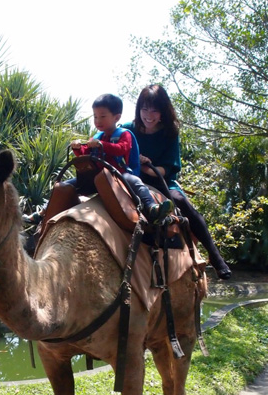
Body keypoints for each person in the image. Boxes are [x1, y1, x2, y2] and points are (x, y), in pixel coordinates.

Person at [122, 84, 232, 280]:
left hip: (160, 181)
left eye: (154, 110)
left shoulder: (170, 133)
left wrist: (147, 167)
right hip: (131, 179)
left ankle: (215, 257)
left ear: (163, 112)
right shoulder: (127, 130)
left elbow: (167, 168)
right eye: (145, 108)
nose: (149, 114)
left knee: (179, 200)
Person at [69, 93, 174, 224]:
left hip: (119, 175)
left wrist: (102, 145)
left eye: (102, 116)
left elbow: (121, 149)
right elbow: (86, 155)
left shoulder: (124, 134)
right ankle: (45, 211)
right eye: (95, 116)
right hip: (97, 175)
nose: (98, 121)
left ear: (116, 117)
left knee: (135, 182)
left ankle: (152, 208)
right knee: (67, 185)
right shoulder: (97, 137)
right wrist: (78, 148)